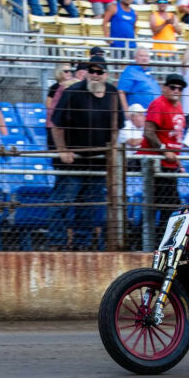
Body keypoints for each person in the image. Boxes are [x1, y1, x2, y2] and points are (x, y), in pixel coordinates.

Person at [49, 56, 121, 250]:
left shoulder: (113, 94)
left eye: (99, 72)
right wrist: (62, 150)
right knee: (62, 203)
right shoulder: (73, 92)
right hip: (73, 160)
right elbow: (56, 123)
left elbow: (116, 128)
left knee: (89, 207)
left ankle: (82, 244)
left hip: (97, 162)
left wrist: (111, 149)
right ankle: (57, 243)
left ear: (106, 75)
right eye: (91, 71)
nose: (95, 75)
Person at [140, 73, 186, 218]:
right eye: (173, 87)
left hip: (170, 165)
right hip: (156, 164)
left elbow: (174, 138)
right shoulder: (158, 104)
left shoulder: (179, 106)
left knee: (166, 206)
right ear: (164, 88)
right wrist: (164, 151)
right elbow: (148, 132)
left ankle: (149, 237)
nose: (176, 90)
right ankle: (144, 237)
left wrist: (177, 160)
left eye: (180, 88)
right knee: (163, 206)